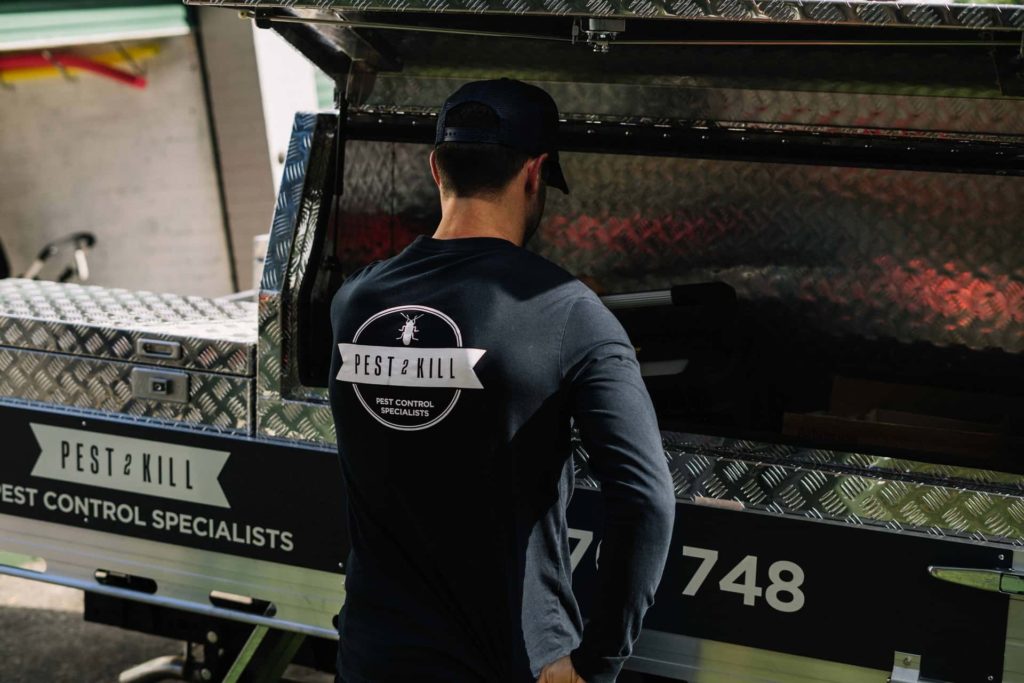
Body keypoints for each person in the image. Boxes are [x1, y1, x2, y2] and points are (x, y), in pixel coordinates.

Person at [328, 78, 675, 683]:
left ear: (436, 168)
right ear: (535, 174)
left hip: (373, 656)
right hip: (511, 660)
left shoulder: (354, 302)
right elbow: (645, 500)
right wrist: (598, 662)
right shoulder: (569, 313)